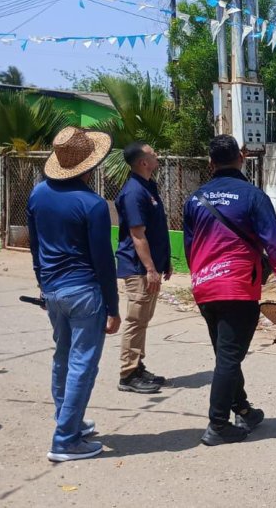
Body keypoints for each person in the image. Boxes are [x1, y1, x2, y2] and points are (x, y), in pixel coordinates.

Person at [183, 135, 276, 446]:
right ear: (241, 157)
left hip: (204, 286)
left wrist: (201, 276)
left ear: (210, 163)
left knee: (226, 353)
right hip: (237, 287)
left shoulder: (194, 199)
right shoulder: (253, 196)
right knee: (229, 356)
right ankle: (218, 425)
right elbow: (274, 242)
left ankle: (243, 410)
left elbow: (189, 246)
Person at [27, 127, 121, 463]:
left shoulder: (38, 194)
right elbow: (103, 260)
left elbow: (35, 246)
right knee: (83, 363)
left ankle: (69, 421)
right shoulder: (93, 204)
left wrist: (43, 285)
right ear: (91, 165)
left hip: (53, 289)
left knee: (63, 358)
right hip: (84, 291)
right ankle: (65, 439)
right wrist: (113, 306)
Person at [115, 141, 171, 395]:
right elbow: (137, 235)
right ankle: (128, 374)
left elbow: (157, 229)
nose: (156, 155)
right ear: (143, 162)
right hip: (138, 267)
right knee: (136, 319)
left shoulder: (149, 186)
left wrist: (164, 262)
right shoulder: (134, 192)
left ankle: (137, 365)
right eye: (152, 153)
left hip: (151, 265)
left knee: (143, 319)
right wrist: (150, 269)